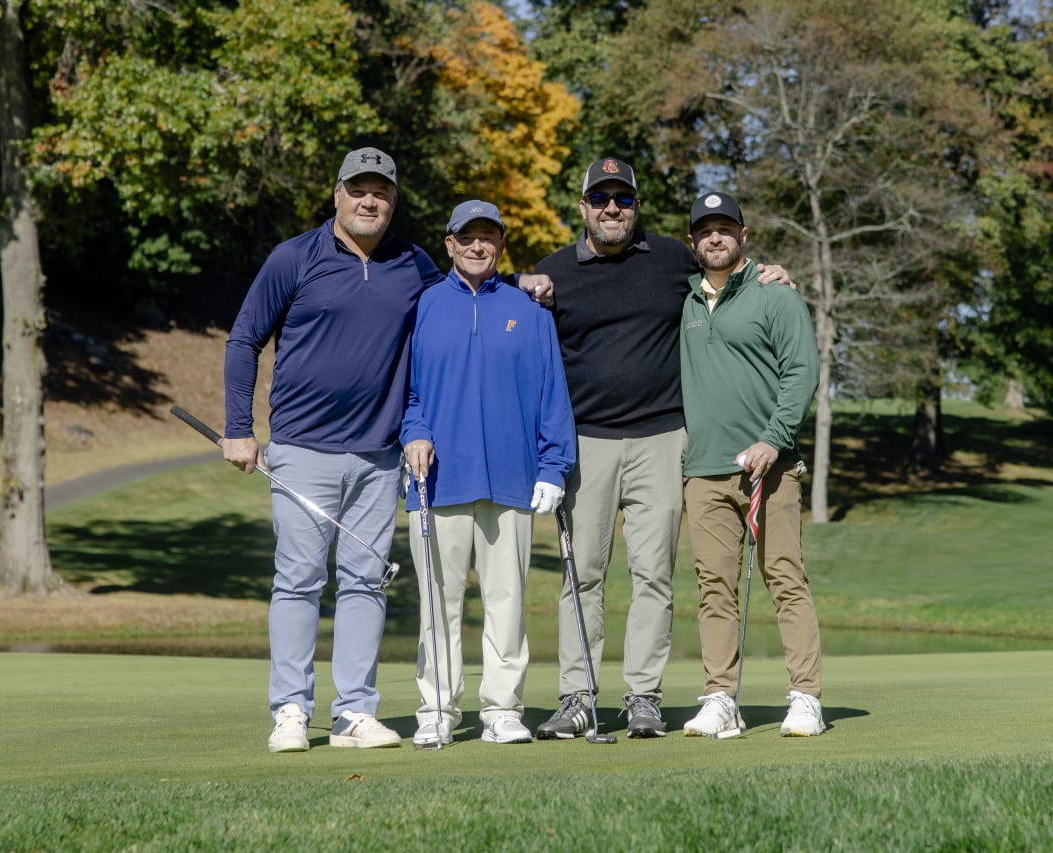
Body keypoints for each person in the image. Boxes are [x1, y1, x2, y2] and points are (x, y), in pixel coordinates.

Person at [223, 148, 552, 753]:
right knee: (297, 580)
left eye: (381, 192)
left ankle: (353, 711)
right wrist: (237, 427)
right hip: (302, 446)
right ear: (338, 195)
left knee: (365, 582)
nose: (369, 201)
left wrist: (518, 284)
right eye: (358, 190)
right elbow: (244, 338)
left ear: (393, 201)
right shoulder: (294, 257)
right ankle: (292, 710)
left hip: (379, 454)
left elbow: (466, 294)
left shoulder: (413, 263)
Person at [532, 158, 793, 739]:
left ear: (636, 207)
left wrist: (772, 273)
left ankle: (643, 696)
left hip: (662, 439)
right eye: (600, 199)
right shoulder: (552, 273)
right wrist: (515, 284)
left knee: (653, 575)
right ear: (583, 208)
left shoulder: (673, 257)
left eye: (622, 200)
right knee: (584, 576)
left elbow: (729, 274)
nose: (611, 209)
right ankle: (577, 697)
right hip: (586, 442)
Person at [401, 200, 576, 747]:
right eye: (467, 237)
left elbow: (553, 397)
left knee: (507, 603)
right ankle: (438, 709)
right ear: (448, 244)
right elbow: (406, 392)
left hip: (512, 480)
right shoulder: (424, 306)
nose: (478, 246)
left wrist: (554, 466)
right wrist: (413, 434)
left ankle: (502, 709)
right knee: (439, 602)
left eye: (488, 238)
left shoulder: (529, 312)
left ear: (501, 245)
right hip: (437, 484)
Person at [677, 191, 824, 738]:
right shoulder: (686, 300)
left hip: (772, 467)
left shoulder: (776, 296)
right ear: (692, 240)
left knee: (784, 577)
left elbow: (800, 373)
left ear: (743, 234)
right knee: (714, 586)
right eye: (705, 230)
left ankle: (805, 696)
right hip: (705, 471)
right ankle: (720, 697)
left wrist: (773, 439)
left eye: (725, 228)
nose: (715, 237)